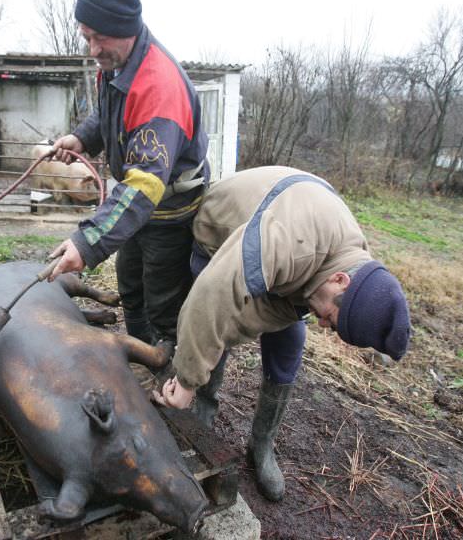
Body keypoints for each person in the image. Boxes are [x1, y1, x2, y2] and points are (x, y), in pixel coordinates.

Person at [153, 166, 411, 502]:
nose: (323, 324)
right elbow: (213, 296)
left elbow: (296, 302)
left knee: (289, 342)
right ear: (339, 281)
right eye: (331, 318)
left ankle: (261, 445)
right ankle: (201, 407)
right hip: (220, 234)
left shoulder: (354, 257)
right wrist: (188, 379)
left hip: (288, 268)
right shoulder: (294, 241)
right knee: (218, 320)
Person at [47, 0, 210, 347]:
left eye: (100, 38)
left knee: (163, 304)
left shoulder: (159, 89)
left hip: (167, 212)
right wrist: (82, 138)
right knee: (131, 288)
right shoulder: (117, 63)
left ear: (128, 29)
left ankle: (168, 373)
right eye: (86, 37)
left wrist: (88, 243)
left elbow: (144, 185)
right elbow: (109, 113)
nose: (93, 50)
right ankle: (140, 360)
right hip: (138, 207)